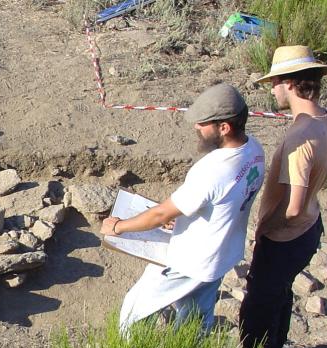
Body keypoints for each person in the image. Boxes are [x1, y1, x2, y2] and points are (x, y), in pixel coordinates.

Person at [102, 83, 265, 332]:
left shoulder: (213, 169)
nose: (196, 127)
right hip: (221, 256)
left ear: (224, 127)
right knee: (194, 323)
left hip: (192, 261)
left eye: (203, 124)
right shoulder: (254, 150)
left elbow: (161, 214)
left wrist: (118, 226)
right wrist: (187, 216)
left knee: (133, 313)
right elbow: (225, 201)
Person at [239, 45, 327, 348]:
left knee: (258, 304)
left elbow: (293, 209)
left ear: (289, 82)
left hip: (286, 237)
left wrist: (265, 229)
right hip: (311, 227)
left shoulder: (300, 138)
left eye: (274, 82)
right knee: (280, 292)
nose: (272, 89)